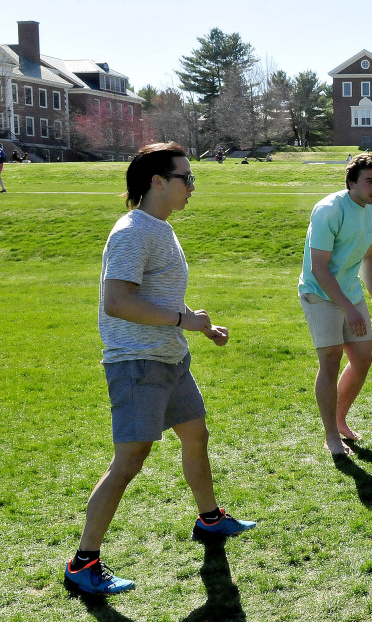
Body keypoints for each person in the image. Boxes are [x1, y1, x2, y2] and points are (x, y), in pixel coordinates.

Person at [64, 142, 256, 597]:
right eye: (185, 177)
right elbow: (118, 300)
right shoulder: (133, 232)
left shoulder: (160, 228)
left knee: (196, 435)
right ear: (157, 181)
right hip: (137, 362)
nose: (192, 186)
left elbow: (159, 295)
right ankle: (82, 561)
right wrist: (180, 321)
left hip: (168, 357)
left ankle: (209, 519)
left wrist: (198, 325)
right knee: (129, 461)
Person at [299, 154, 372, 456]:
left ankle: (339, 419)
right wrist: (348, 308)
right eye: (369, 181)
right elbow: (318, 268)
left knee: (362, 358)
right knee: (332, 361)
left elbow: (366, 256)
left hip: (350, 292)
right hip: (318, 293)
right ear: (352, 182)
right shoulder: (329, 210)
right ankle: (331, 436)